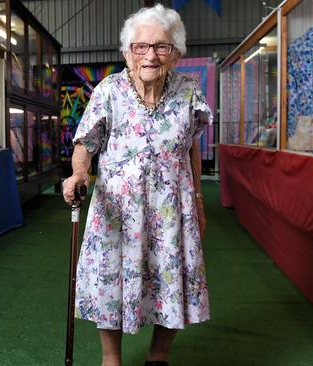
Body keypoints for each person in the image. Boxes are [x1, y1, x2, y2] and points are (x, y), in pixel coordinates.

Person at [61, 4, 211, 366]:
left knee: (172, 278)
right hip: (118, 210)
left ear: (175, 54)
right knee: (112, 280)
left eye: (161, 46)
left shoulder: (188, 91)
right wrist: (80, 174)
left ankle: (158, 357)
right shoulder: (109, 90)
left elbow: (191, 145)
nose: (150, 55)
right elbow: (85, 143)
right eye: (140, 46)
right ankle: (111, 359)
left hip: (171, 210)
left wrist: (199, 199)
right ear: (128, 53)